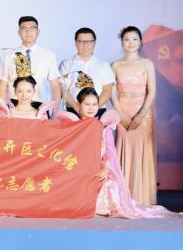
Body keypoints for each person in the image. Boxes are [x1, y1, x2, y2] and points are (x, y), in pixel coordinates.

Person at [69, 87, 175, 218]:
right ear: (79, 105)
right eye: (87, 104)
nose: (91, 108)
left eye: (94, 104)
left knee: (109, 184)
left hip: (97, 170)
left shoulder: (103, 127)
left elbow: (109, 153)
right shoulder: (73, 126)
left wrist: (106, 168)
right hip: (78, 170)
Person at [111, 26, 158, 205]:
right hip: (122, 110)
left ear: (140, 41)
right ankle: (124, 197)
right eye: (126, 39)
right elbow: (112, 93)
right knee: (124, 149)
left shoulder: (147, 64)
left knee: (142, 150)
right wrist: (120, 113)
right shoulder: (116, 65)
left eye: (134, 39)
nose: (130, 43)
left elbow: (151, 92)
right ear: (122, 42)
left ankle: (142, 198)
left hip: (143, 113)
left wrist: (141, 114)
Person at [0, 16, 61, 114]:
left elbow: (55, 86)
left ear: (38, 32)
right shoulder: (9, 56)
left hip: (41, 107)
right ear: (19, 32)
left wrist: (55, 113)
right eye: (24, 29)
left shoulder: (48, 55)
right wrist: (3, 111)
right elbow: (3, 85)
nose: (28, 32)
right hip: (14, 106)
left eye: (32, 28)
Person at [60, 27, 115, 114]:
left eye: (89, 42)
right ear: (75, 42)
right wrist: (76, 107)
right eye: (81, 41)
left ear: (94, 42)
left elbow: (107, 91)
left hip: (98, 111)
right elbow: (62, 89)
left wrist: (93, 109)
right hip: (73, 111)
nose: (85, 45)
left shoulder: (104, 65)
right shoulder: (66, 64)